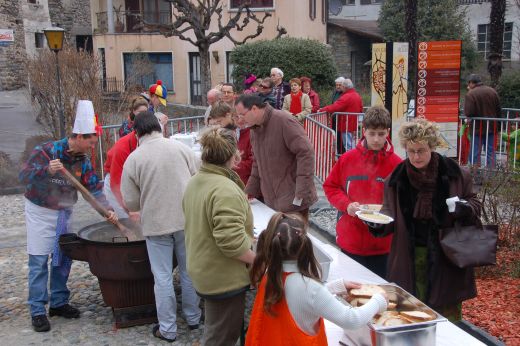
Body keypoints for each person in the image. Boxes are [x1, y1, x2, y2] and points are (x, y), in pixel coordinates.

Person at [19, 100, 117, 332]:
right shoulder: (46, 151)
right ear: (79, 137)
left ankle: (59, 302)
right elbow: (23, 176)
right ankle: (37, 310)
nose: (92, 148)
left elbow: (93, 189)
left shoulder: (83, 161)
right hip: (40, 210)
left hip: (64, 211)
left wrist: (107, 210)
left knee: (64, 257)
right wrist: (46, 170)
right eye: (91, 143)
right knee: (39, 260)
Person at [373, 119, 482, 322]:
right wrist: (377, 223)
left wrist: (463, 208)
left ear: (432, 146)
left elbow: (475, 204)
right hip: (408, 255)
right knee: (411, 314)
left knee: (447, 318)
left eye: (421, 150)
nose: (416, 156)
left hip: (446, 256)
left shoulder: (455, 174)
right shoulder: (395, 180)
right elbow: (388, 214)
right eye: (411, 151)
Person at [246, 213, 388, 345]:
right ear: (306, 246)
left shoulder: (270, 273)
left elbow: (302, 299)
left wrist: (335, 287)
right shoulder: (309, 288)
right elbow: (351, 319)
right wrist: (378, 301)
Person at [121, 111, 201, 342]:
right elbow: (197, 179)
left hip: (156, 225)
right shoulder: (181, 149)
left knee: (163, 278)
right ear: (159, 127)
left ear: (136, 132)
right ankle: (193, 317)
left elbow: (131, 202)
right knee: (189, 271)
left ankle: (167, 329)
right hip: (186, 219)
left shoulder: (134, 158)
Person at [183, 127, 255, 346]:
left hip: (205, 268)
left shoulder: (197, 180)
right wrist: (261, 260)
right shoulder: (224, 189)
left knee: (217, 331)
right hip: (223, 277)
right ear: (233, 155)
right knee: (221, 337)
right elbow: (231, 242)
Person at [323, 106, 402, 279]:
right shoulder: (347, 159)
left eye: (381, 134)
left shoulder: (397, 164)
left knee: (379, 292)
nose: (376, 139)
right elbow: (331, 187)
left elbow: (403, 198)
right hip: (351, 239)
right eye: (372, 133)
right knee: (352, 292)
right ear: (363, 130)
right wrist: (346, 204)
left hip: (383, 243)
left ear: (388, 132)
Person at [235, 94, 317, 220]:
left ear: (254, 109)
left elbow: (306, 153)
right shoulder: (254, 130)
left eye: (242, 115)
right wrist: (250, 190)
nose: (240, 120)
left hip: (294, 199)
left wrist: (301, 191)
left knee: (294, 237)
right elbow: (257, 162)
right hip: (272, 200)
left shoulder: (283, 120)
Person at [105, 98, 149, 218]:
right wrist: (129, 210)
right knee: (126, 219)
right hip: (115, 182)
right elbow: (116, 182)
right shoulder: (122, 148)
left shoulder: (147, 144)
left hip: (131, 180)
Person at [208, 101, 253, 185]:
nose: (218, 125)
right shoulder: (232, 130)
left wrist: (227, 165)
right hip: (231, 179)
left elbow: (252, 164)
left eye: (219, 121)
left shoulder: (251, 134)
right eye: (236, 117)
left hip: (244, 183)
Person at [464, 74, 501, 167]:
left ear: (472, 83)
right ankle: (491, 175)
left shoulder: (471, 94)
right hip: (492, 126)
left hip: (477, 128)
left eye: (469, 83)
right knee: (491, 151)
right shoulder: (492, 91)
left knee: (475, 151)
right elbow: (498, 110)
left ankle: (474, 173)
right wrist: (499, 127)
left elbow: (469, 112)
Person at [319, 78, 363, 154]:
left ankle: (351, 161)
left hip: (346, 124)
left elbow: (335, 106)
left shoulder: (346, 96)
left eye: (342, 86)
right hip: (353, 123)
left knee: (348, 145)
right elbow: (361, 108)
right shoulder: (356, 95)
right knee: (352, 143)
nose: (340, 87)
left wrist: (322, 109)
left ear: (345, 87)